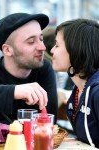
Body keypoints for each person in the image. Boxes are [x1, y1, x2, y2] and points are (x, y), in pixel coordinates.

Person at [51, 18, 99, 148]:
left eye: (57, 45)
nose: (51, 51)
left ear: (76, 49)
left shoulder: (97, 91)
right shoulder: (78, 89)